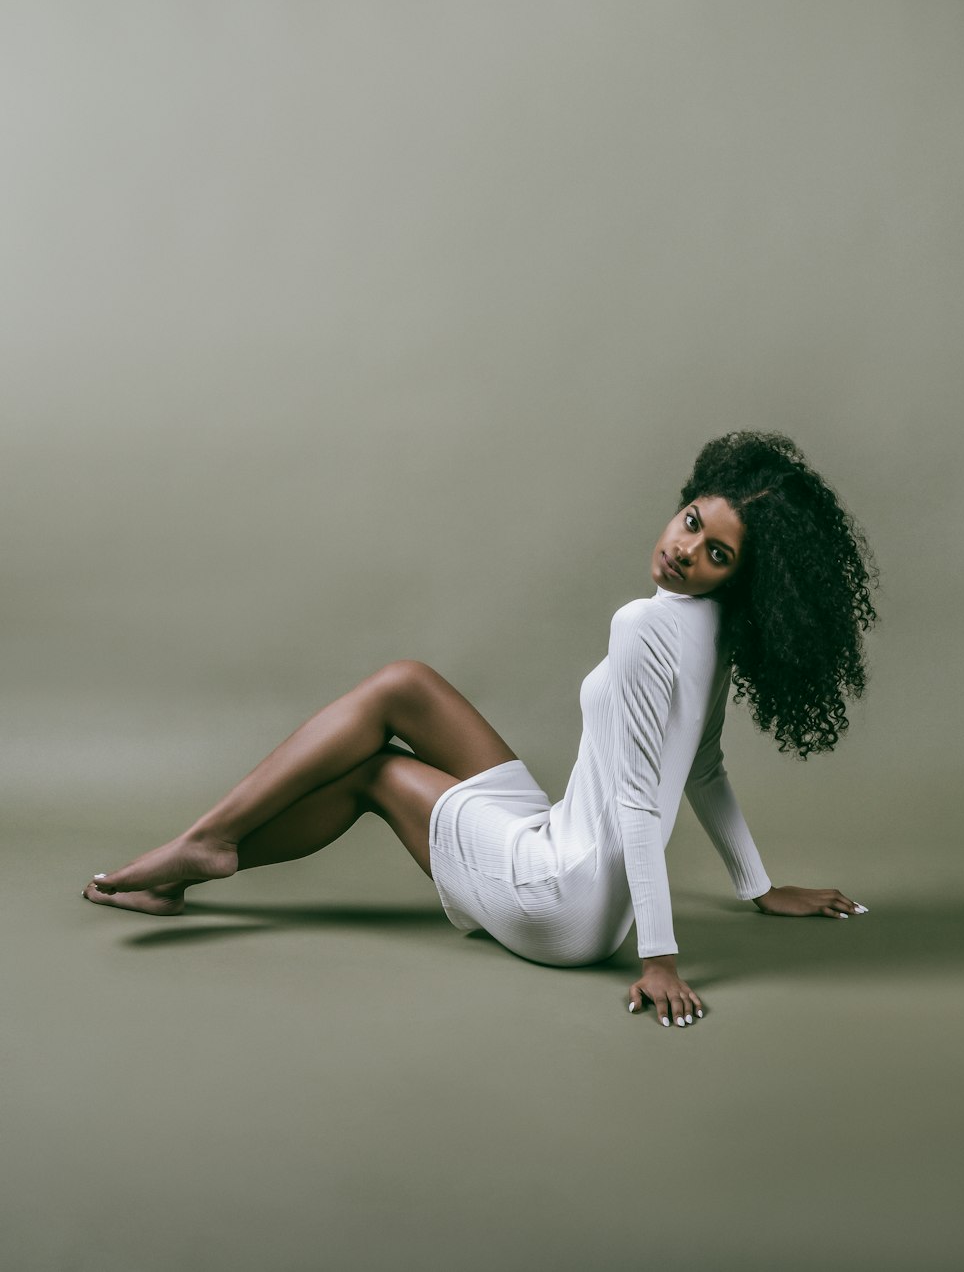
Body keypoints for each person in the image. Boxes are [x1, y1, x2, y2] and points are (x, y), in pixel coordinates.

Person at [82, 429, 879, 1031]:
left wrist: (661, 958)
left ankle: (201, 853)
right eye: (690, 521)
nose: (682, 551)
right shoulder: (714, 634)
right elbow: (701, 772)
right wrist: (759, 887)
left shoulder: (646, 626)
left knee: (373, 771)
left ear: (740, 578)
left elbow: (642, 804)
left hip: (558, 895)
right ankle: (200, 848)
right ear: (684, 500)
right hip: (581, 873)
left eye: (715, 554)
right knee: (408, 685)